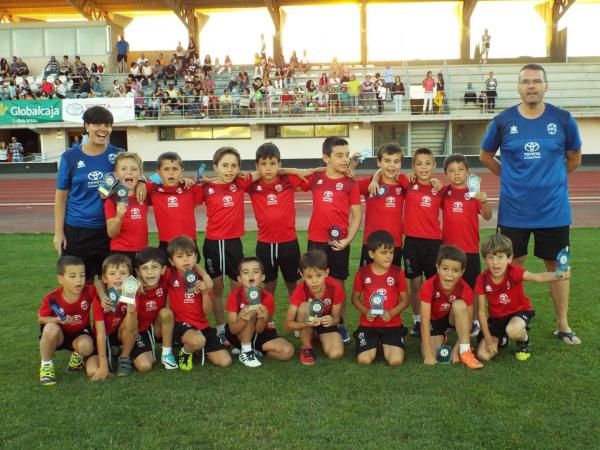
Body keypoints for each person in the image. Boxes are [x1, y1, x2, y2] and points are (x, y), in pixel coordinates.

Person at [480, 63, 582, 345]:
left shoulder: (563, 119)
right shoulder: (503, 121)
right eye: (526, 81)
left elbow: (574, 158)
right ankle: (506, 319)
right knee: (510, 266)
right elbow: (486, 155)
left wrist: (554, 177)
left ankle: (562, 324)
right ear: (518, 86)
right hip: (514, 212)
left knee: (558, 268)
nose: (531, 86)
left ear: (546, 85)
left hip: (554, 211)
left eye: (537, 81)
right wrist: (509, 175)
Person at [54, 106, 143, 282]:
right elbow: (61, 196)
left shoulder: (117, 154)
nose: (104, 129)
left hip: (108, 231)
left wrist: (142, 182)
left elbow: (134, 170)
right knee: (79, 283)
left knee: (111, 283)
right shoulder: (70, 157)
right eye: (98, 124)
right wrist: (58, 232)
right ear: (86, 126)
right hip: (76, 230)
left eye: (108, 125)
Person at [476, 234, 571, 362]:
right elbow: (481, 311)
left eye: (500, 257)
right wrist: (488, 340)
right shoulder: (482, 278)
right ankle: (502, 338)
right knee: (483, 355)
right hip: (496, 319)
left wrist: (558, 275)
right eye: (490, 257)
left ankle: (523, 341)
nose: (495, 262)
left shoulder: (514, 271)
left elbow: (538, 277)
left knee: (513, 330)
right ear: (485, 259)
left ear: (509, 258)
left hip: (518, 312)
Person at [304, 137, 362, 344]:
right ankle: (313, 325)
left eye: (347, 155)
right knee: (313, 283)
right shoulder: (315, 178)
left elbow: (357, 216)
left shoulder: (350, 183)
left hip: (338, 243)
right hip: (316, 240)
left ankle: (339, 325)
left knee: (337, 285)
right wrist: (319, 168)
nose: (345, 159)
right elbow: (290, 173)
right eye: (339, 155)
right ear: (326, 158)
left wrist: (348, 240)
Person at [200, 147, 257, 345]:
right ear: (215, 167)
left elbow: (271, 171)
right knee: (216, 288)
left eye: (234, 166)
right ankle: (221, 329)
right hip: (213, 245)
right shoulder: (205, 188)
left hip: (233, 244)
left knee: (237, 288)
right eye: (225, 165)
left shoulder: (241, 183)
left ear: (239, 168)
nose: (229, 170)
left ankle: (237, 328)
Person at [247, 143, 307, 296]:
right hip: (265, 244)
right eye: (263, 164)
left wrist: (285, 171)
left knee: (293, 284)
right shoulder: (252, 184)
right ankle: (269, 320)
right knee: (268, 287)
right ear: (257, 165)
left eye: (273, 164)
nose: (268, 168)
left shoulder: (288, 180)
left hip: (289, 243)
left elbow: (311, 173)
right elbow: (231, 177)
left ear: (279, 164)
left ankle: (295, 318)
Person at [442, 153, 492, 335]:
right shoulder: (444, 192)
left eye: (461, 170)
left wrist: (484, 201)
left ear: (467, 172)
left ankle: (476, 321)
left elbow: (487, 216)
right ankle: (448, 319)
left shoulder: (474, 193)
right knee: (449, 286)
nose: (457, 174)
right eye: (452, 171)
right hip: (448, 251)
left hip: (470, 249)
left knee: (472, 287)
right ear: (446, 173)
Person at [165, 236, 232, 370]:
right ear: (172, 261)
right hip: (181, 324)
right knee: (198, 341)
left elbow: (207, 312)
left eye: (189, 255)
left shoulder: (201, 279)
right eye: (179, 256)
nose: (185, 259)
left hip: (202, 325)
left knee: (225, 361)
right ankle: (185, 351)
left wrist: (205, 292)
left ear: (195, 258)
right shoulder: (169, 274)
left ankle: (196, 347)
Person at [419, 246, 483, 369]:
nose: (449, 275)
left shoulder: (465, 289)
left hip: (453, 318)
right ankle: (442, 337)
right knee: (434, 353)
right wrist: (428, 355)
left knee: (460, 305)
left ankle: (465, 351)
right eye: (445, 269)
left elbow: (468, 324)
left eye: (455, 270)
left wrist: (456, 350)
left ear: (462, 272)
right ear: (437, 267)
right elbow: (424, 322)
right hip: (435, 320)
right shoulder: (429, 286)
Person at [351, 231, 410, 366]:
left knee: (396, 361)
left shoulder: (397, 272)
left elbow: (405, 300)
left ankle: (384, 343)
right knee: (364, 360)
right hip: (368, 325)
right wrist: (366, 312)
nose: (389, 256)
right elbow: (355, 298)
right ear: (372, 254)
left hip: (392, 325)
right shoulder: (362, 273)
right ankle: (375, 342)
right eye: (383, 253)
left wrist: (392, 313)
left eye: (391, 252)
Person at [225, 257, 295, 367]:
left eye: (255, 272)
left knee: (287, 352)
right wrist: (243, 319)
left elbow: (260, 329)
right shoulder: (234, 295)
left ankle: (254, 350)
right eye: (245, 272)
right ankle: (246, 351)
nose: (251, 275)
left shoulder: (267, 297)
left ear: (262, 277)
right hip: (238, 332)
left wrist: (262, 317)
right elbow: (232, 329)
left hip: (259, 333)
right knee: (250, 310)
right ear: (239, 278)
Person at [38, 256, 95, 385]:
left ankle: (77, 356)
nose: (79, 280)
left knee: (87, 346)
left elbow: (101, 285)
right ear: (61, 279)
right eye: (73, 276)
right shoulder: (52, 297)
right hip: (59, 334)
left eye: (82, 275)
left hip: (79, 332)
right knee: (50, 328)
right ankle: (46, 365)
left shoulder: (89, 291)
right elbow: (41, 318)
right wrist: (56, 320)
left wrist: (102, 294)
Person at [284, 250, 345, 365]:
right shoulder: (300, 290)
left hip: (325, 324)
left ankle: (316, 336)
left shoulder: (335, 287)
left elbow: (337, 318)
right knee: (305, 307)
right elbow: (288, 325)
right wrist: (308, 324)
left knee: (336, 354)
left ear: (326, 273)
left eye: (318, 275)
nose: (314, 281)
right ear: (302, 276)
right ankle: (306, 347)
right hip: (307, 323)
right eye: (309, 276)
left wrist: (332, 320)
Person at [86, 254, 139, 379]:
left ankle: (124, 358)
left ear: (130, 277)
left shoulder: (132, 295)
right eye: (112, 273)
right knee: (92, 371)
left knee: (130, 323)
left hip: (122, 334)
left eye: (123, 273)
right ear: (104, 278)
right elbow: (100, 333)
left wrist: (131, 311)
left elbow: (132, 328)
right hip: (102, 336)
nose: (118, 277)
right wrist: (103, 366)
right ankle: (113, 351)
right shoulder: (101, 299)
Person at [358, 143, 407, 268]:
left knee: (392, 283)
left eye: (396, 161)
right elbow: (347, 187)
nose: (391, 165)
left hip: (394, 244)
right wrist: (375, 179)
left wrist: (433, 181)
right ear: (379, 162)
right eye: (387, 161)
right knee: (366, 282)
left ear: (401, 164)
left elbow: (421, 188)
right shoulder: (370, 184)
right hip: (371, 243)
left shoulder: (403, 184)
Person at [132, 247, 177, 371]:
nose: (150, 273)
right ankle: (127, 350)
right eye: (145, 268)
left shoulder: (165, 279)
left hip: (157, 328)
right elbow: (101, 283)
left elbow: (187, 267)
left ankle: (167, 354)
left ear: (163, 270)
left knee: (166, 313)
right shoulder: (132, 285)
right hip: (138, 330)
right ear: (138, 272)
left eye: (154, 267)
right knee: (144, 366)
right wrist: (135, 282)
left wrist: (205, 275)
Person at [148, 152, 203, 253]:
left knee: (190, 268)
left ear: (181, 172)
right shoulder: (153, 189)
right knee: (166, 268)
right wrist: (141, 183)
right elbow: (137, 181)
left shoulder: (190, 188)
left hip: (189, 240)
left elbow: (216, 184)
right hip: (166, 242)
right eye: (166, 169)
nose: (171, 172)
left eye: (175, 169)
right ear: (159, 172)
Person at [104, 152, 149, 263]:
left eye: (134, 169)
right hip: (120, 252)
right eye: (123, 169)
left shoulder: (145, 193)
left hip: (143, 251)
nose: (129, 172)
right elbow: (111, 233)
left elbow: (166, 187)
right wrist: (119, 216)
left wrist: (184, 181)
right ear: (116, 174)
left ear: (140, 173)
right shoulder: (111, 201)